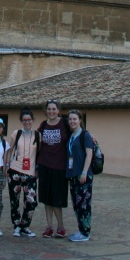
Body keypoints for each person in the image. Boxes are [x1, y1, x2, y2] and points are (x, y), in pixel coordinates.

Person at [5, 108, 40, 237]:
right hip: (15, 170)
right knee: (15, 200)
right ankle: (16, 225)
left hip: (30, 172)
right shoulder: (16, 133)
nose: (27, 122)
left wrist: (37, 170)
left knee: (30, 201)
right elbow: (10, 150)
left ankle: (25, 225)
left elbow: (39, 154)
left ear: (32, 120)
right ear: (21, 121)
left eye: (29, 120)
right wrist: (7, 166)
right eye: (24, 120)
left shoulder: (37, 135)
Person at [37, 99, 69, 238]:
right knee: (46, 198)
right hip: (45, 165)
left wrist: (90, 135)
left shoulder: (65, 123)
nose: (51, 111)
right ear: (46, 111)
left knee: (57, 199)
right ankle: (49, 226)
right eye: (49, 109)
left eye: (54, 109)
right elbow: (35, 141)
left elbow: (78, 131)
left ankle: (61, 226)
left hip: (59, 167)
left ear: (58, 110)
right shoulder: (43, 125)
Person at [66, 108, 93, 242]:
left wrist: (84, 172)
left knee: (84, 204)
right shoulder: (71, 136)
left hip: (83, 175)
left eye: (74, 119)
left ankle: (85, 232)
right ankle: (81, 230)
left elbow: (89, 154)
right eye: (70, 119)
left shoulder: (85, 135)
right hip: (73, 174)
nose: (72, 121)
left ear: (80, 120)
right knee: (77, 204)